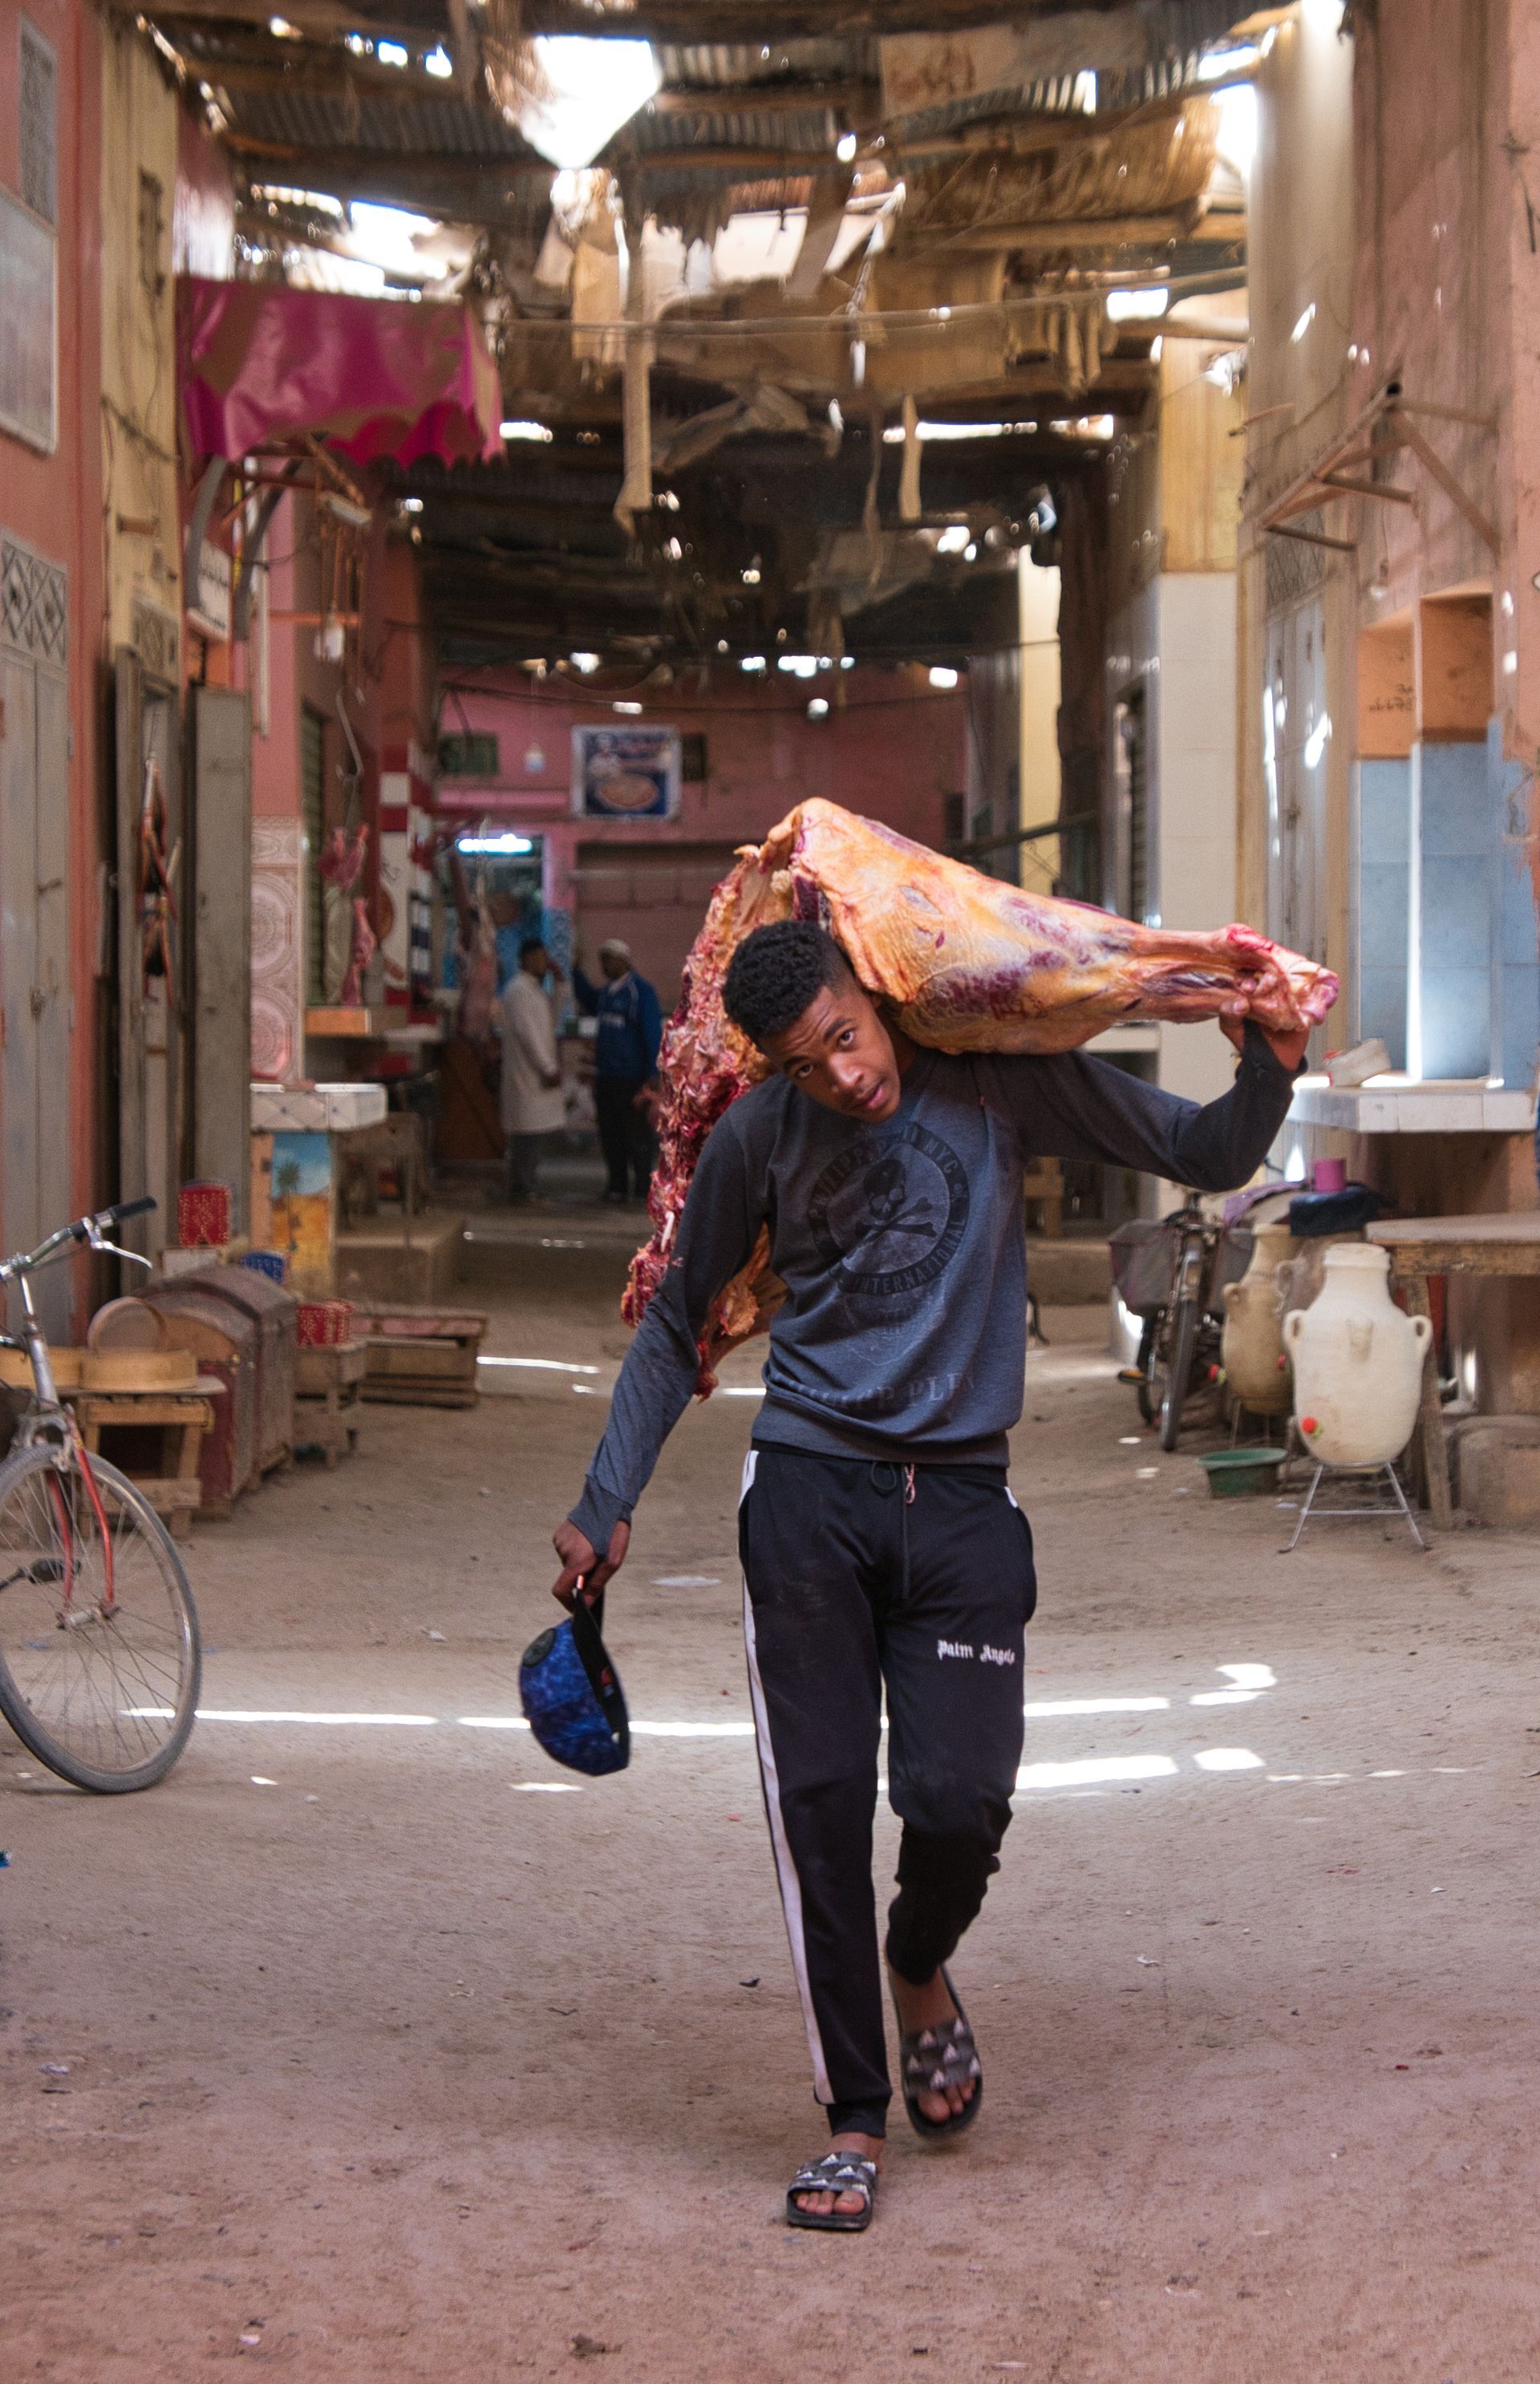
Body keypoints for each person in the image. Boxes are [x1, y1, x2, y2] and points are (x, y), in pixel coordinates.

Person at [549, 920, 1306, 2232]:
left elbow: (1204, 1152)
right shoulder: (759, 1139)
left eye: (847, 1037)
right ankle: (853, 2117)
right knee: (823, 1811)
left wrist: (1272, 1066)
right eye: (806, 1063)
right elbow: (679, 1318)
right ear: (775, 1068)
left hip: (959, 1500)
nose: (843, 1076)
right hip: (807, 1496)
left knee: (959, 1800)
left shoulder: (994, 1085)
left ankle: (919, 1959)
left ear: (876, 994)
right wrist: (606, 1499)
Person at [573, 939, 663, 1204]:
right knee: (611, 1134)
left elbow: (652, 1033)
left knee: (636, 1134)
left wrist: (652, 1072)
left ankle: (644, 1187)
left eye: (608, 960)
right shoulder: (607, 994)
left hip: (631, 1077)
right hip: (606, 1076)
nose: (604, 966)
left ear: (623, 960)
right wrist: (576, 971)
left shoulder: (640, 992)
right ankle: (617, 1186)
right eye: (601, 960)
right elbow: (588, 999)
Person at [496, 936, 565, 1204]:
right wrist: (547, 1067)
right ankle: (523, 1188)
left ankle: (525, 1186)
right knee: (525, 1136)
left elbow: (551, 1019)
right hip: (527, 1074)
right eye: (539, 957)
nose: (544, 963)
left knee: (532, 1136)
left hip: (535, 1075)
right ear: (526, 959)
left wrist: (560, 984)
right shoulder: (518, 990)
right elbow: (528, 1034)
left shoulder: (534, 990)